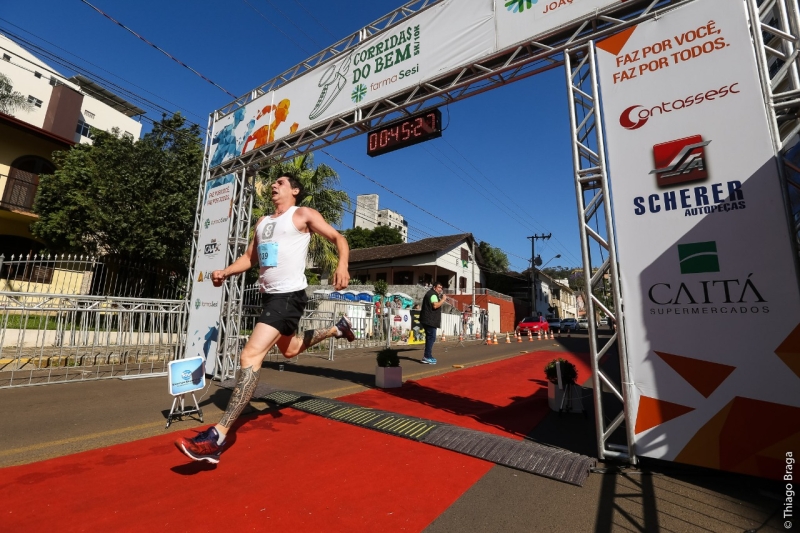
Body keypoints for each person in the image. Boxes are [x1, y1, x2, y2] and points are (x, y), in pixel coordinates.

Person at [175, 174, 354, 464]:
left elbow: (338, 238)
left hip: (289, 295)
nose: (274, 185)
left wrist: (343, 264)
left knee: (250, 354)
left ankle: (218, 437)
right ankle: (337, 328)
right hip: (271, 298)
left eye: (281, 182)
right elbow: (250, 259)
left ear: (294, 190)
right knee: (290, 349)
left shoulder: (302, 214)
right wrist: (226, 271)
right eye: (274, 182)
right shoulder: (262, 222)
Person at [419, 282, 446, 364]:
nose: (440, 289)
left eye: (441, 288)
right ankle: (427, 356)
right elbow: (435, 305)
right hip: (429, 320)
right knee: (431, 337)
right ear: (434, 287)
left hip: (427, 319)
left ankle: (427, 356)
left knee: (430, 338)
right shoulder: (433, 295)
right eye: (439, 287)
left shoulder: (431, 294)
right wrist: (443, 300)